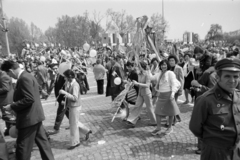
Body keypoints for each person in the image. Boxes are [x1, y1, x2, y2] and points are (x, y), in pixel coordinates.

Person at [2, 61, 54, 160]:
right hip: (35, 117)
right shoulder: (27, 75)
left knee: (23, 149)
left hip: (28, 119)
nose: (10, 76)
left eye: (8, 74)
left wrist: (12, 106)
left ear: (11, 70)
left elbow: (29, 99)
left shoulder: (23, 78)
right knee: (44, 145)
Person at [189, 58, 240, 160]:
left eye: (236, 76)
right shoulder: (205, 100)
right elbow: (195, 127)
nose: (232, 80)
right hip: (215, 152)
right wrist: (213, 140)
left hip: (237, 151)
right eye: (227, 76)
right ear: (218, 77)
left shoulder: (238, 96)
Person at [59, 69, 92, 150]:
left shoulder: (75, 85)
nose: (64, 78)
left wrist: (65, 93)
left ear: (69, 77)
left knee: (73, 125)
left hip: (75, 106)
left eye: (65, 77)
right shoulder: (69, 83)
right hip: (72, 106)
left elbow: (75, 98)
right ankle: (86, 131)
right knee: (74, 123)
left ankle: (75, 142)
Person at [151, 59, 181, 135]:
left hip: (169, 95)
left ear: (167, 65)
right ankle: (158, 128)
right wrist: (146, 70)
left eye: (165, 64)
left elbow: (174, 83)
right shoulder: (159, 73)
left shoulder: (170, 73)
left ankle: (170, 128)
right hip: (161, 95)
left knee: (170, 113)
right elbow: (152, 78)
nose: (163, 66)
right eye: (162, 65)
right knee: (157, 112)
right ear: (160, 66)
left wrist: (173, 94)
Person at [125, 61, 156, 127]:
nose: (137, 67)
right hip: (140, 93)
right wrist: (132, 83)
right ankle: (131, 121)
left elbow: (147, 85)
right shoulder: (139, 74)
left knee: (149, 108)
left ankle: (154, 121)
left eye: (138, 66)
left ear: (142, 67)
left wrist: (137, 83)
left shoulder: (147, 74)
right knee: (137, 106)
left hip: (146, 93)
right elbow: (137, 83)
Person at [47, 65, 69, 135]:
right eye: (54, 69)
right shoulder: (56, 76)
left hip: (63, 99)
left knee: (60, 113)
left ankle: (56, 128)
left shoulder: (63, 77)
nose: (55, 70)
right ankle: (74, 123)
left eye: (56, 68)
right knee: (67, 112)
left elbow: (66, 89)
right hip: (59, 98)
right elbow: (55, 86)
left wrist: (63, 99)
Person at [168, 55, 184, 125]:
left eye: (172, 60)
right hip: (169, 89)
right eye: (170, 60)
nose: (171, 62)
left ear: (175, 61)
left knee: (172, 104)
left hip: (176, 89)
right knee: (172, 104)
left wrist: (181, 90)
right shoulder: (168, 68)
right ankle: (177, 117)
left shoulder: (179, 68)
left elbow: (181, 79)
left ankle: (173, 120)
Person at [0, 64, 14, 136]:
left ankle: (12, 131)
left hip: (6, 100)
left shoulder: (3, 76)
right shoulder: (2, 76)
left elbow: (5, 88)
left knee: (9, 117)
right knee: (7, 117)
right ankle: (8, 130)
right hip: (4, 99)